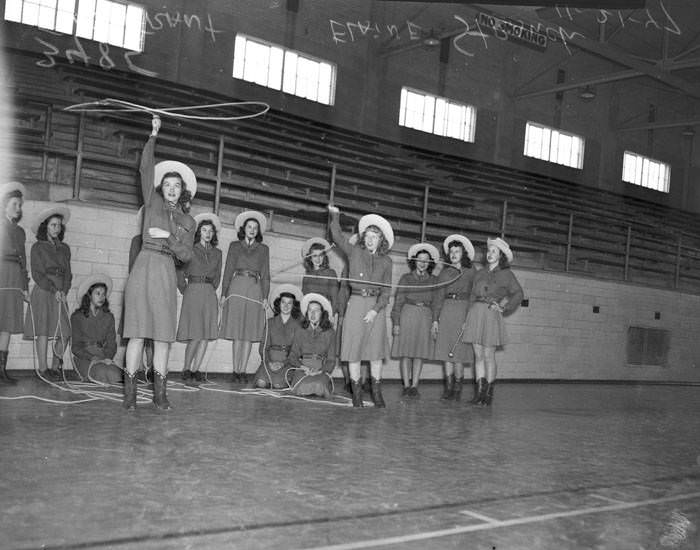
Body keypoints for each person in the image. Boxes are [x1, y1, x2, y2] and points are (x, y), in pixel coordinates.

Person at [122, 115, 197, 410]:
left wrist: (167, 236)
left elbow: (187, 255)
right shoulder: (151, 203)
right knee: (137, 333)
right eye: (167, 183)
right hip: (144, 268)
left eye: (177, 185)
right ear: (160, 187)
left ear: (183, 191)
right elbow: (145, 168)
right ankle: (129, 395)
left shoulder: (189, 221)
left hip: (166, 271)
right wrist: (153, 136)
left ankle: (160, 395)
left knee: (163, 338)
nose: (171, 188)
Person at [328, 205, 393, 408]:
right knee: (353, 351)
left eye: (375, 236)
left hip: (376, 308)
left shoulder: (387, 262)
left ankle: (376, 393)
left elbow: (386, 291)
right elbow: (337, 236)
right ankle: (356, 396)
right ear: (363, 237)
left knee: (374, 353)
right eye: (368, 235)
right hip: (355, 303)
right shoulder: (354, 252)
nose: (371, 239)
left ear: (381, 240)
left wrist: (375, 310)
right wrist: (335, 216)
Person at [462, 237, 524, 406]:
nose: (490, 254)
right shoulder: (480, 273)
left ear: (501, 255)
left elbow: (518, 293)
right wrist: (467, 316)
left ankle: (488, 394)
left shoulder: (507, 274)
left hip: (491, 314)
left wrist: (504, 307)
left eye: (494, 251)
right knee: (478, 355)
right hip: (476, 314)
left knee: (488, 355)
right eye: (489, 251)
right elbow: (472, 296)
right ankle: (479, 393)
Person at [220, 210, 270, 383]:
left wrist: (265, 297)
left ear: (258, 231)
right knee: (237, 332)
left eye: (255, 228)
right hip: (237, 287)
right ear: (244, 228)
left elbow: (266, 274)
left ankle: (243, 371)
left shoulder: (264, 249)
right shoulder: (234, 246)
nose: (252, 230)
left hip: (255, 289)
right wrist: (224, 293)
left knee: (248, 333)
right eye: (249, 226)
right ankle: (235, 370)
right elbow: (227, 271)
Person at [23, 204, 72, 380]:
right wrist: (53, 289)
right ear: (45, 226)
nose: (57, 228)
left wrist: (64, 290)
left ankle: (55, 367)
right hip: (44, 291)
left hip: (60, 293)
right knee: (43, 331)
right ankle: (43, 370)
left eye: (59, 225)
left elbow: (69, 274)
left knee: (65, 332)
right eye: (53, 225)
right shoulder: (37, 247)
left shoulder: (65, 248)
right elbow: (37, 273)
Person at [176, 213, 222, 385]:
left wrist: (210, 288)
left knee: (205, 335)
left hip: (209, 293)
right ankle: (186, 369)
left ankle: (196, 370)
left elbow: (218, 276)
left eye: (210, 231)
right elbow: (180, 271)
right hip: (193, 292)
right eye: (204, 230)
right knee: (195, 333)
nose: (208, 234)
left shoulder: (218, 253)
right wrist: (185, 289)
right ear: (199, 232)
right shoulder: (190, 249)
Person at [432, 234, 478, 401]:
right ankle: (449, 387)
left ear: (463, 253)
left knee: (458, 352)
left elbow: (475, 295)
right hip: (446, 311)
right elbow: (438, 296)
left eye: (457, 251)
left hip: (462, 310)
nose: (453, 254)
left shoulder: (471, 272)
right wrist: (435, 319)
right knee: (446, 352)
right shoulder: (444, 273)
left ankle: (458, 388)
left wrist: (469, 318)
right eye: (451, 251)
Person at [391, 243, 439, 398]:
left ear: (429, 263)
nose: (422, 263)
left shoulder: (434, 280)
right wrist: (396, 322)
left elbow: (437, 303)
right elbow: (398, 301)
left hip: (425, 317)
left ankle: (414, 385)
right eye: (420, 260)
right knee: (406, 353)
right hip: (407, 315)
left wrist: (434, 321)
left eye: (426, 260)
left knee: (419, 353)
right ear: (414, 261)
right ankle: (406, 385)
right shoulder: (406, 278)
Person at [0, 182, 29, 384]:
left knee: (7, 325)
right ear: (4, 205)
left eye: (20, 205)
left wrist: (25, 287)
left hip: (15, 279)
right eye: (15, 204)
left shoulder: (20, 232)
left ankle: (1, 370)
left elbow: (24, 260)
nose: (18, 208)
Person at [70, 274, 121, 384]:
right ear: (89, 295)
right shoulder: (77, 317)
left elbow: (112, 343)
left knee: (116, 374)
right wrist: (92, 357)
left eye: (103, 294)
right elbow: (75, 347)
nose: (101, 297)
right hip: (85, 358)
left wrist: (108, 357)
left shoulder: (108, 317)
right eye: (98, 293)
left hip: (103, 356)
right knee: (101, 372)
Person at [253, 284, 303, 389]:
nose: (286, 306)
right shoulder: (270, 322)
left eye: (289, 303)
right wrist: (269, 362)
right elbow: (263, 347)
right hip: (269, 362)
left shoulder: (297, 325)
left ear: (294, 305)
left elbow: (296, 351)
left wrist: (283, 363)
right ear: (278, 303)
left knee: (278, 385)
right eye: (283, 302)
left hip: (288, 363)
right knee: (261, 383)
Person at [287, 293, 336, 398]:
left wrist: (320, 371)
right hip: (303, 370)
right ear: (306, 312)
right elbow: (292, 355)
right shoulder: (300, 330)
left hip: (321, 370)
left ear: (322, 313)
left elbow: (331, 360)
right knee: (301, 386)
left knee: (319, 386)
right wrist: (302, 367)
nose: (312, 314)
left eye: (316, 310)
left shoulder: (330, 332)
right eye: (310, 310)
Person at [301, 237, 339, 316]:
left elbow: (335, 298)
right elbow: (304, 297)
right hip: (310, 313)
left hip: (325, 312)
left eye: (320, 255)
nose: (318, 259)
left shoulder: (331, 273)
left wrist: (331, 315)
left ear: (324, 257)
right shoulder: (307, 275)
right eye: (314, 256)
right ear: (310, 258)